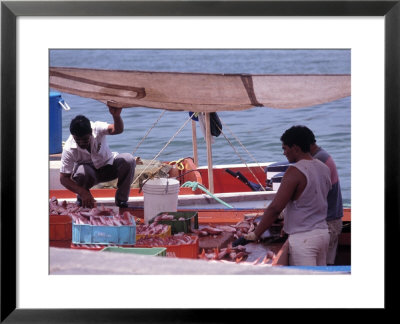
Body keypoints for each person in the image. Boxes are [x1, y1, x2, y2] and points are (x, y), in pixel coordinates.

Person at [243, 125, 332, 266]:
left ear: (296, 148)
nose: (284, 153)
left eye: (285, 148)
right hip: (323, 234)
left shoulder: (295, 171)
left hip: (304, 239)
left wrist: (256, 234)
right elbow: (312, 200)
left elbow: (275, 208)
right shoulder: (324, 168)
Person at [59, 101, 136, 208]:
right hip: (89, 175)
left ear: (91, 132)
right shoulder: (68, 148)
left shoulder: (97, 127)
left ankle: (122, 201)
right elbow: (64, 178)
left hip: (109, 167)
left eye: (85, 139)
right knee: (81, 172)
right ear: (73, 136)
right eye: (78, 140)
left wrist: (116, 116)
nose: (81, 143)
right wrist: (82, 192)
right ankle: (83, 200)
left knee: (128, 159)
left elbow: (117, 130)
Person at [307, 129, 344, 265]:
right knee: (327, 264)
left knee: (323, 267)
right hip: (332, 219)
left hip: (328, 223)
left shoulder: (318, 160)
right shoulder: (321, 155)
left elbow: (311, 195)